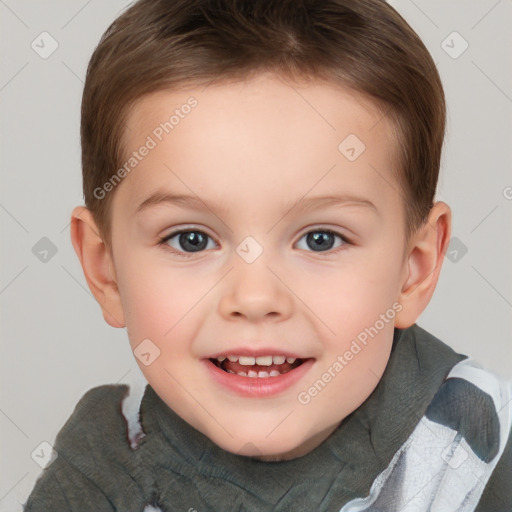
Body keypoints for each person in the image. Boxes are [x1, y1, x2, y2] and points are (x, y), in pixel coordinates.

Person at [24, 0, 511, 510]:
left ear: (415, 268)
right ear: (107, 271)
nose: (255, 298)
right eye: (191, 239)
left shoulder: (479, 454)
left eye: (321, 239)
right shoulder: (99, 473)